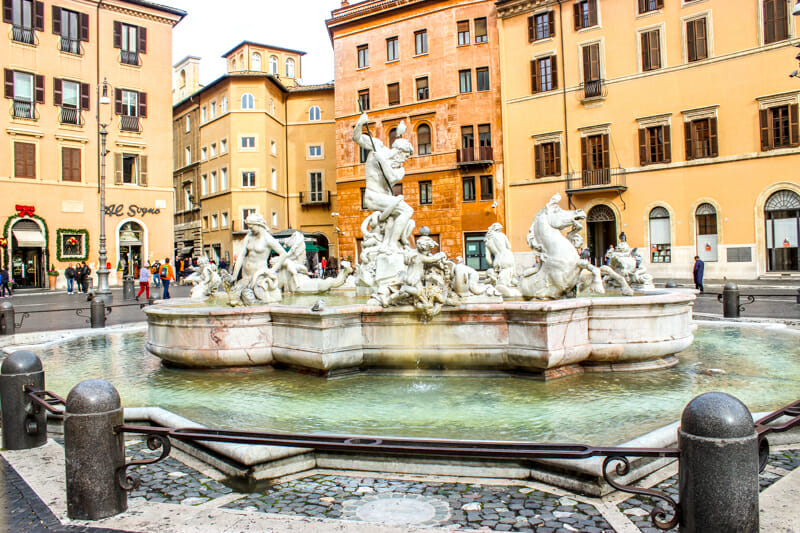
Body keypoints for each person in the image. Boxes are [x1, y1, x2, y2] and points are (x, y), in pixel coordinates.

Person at [353, 112, 415, 251]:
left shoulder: (400, 170)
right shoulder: (378, 146)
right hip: (373, 196)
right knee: (407, 210)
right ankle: (391, 245)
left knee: (403, 218)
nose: (405, 160)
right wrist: (360, 123)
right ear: (399, 151)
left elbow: (391, 177)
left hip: (385, 198)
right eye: (406, 156)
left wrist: (381, 160)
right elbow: (357, 138)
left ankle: (391, 243)